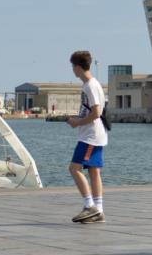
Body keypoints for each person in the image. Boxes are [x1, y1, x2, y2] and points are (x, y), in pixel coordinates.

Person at [66, 50, 108, 223]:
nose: (72, 70)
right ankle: (98, 210)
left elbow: (97, 112)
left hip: (90, 136)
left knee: (74, 168)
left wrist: (78, 122)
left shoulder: (90, 85)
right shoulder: (92, 84)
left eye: (72, 66)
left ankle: (89, 206)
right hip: (95, 134)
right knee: (93, 171)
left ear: (77, 66)